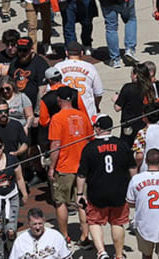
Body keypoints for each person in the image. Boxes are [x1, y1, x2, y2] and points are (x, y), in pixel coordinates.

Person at [79, 115, 133, 259]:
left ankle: (101, 252)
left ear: (98, 128)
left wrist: (79, 193)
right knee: (117, 223)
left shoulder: (89, 148)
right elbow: (132, 168)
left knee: (94, 221)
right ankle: (119, 254)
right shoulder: (122, 145)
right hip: (119, 191)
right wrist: (133, 185)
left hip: (97, 192)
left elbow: (82, 174)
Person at [46, 89, 94, 240]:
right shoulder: (82, 116)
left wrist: (52, 167)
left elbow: (55, 145)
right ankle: (85, 235)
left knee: (60, 202)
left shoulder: (57, 118)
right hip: (82, 167)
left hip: (64, 167)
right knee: (82, 201)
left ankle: (64, 235)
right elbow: (90, 139)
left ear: (59, 100)